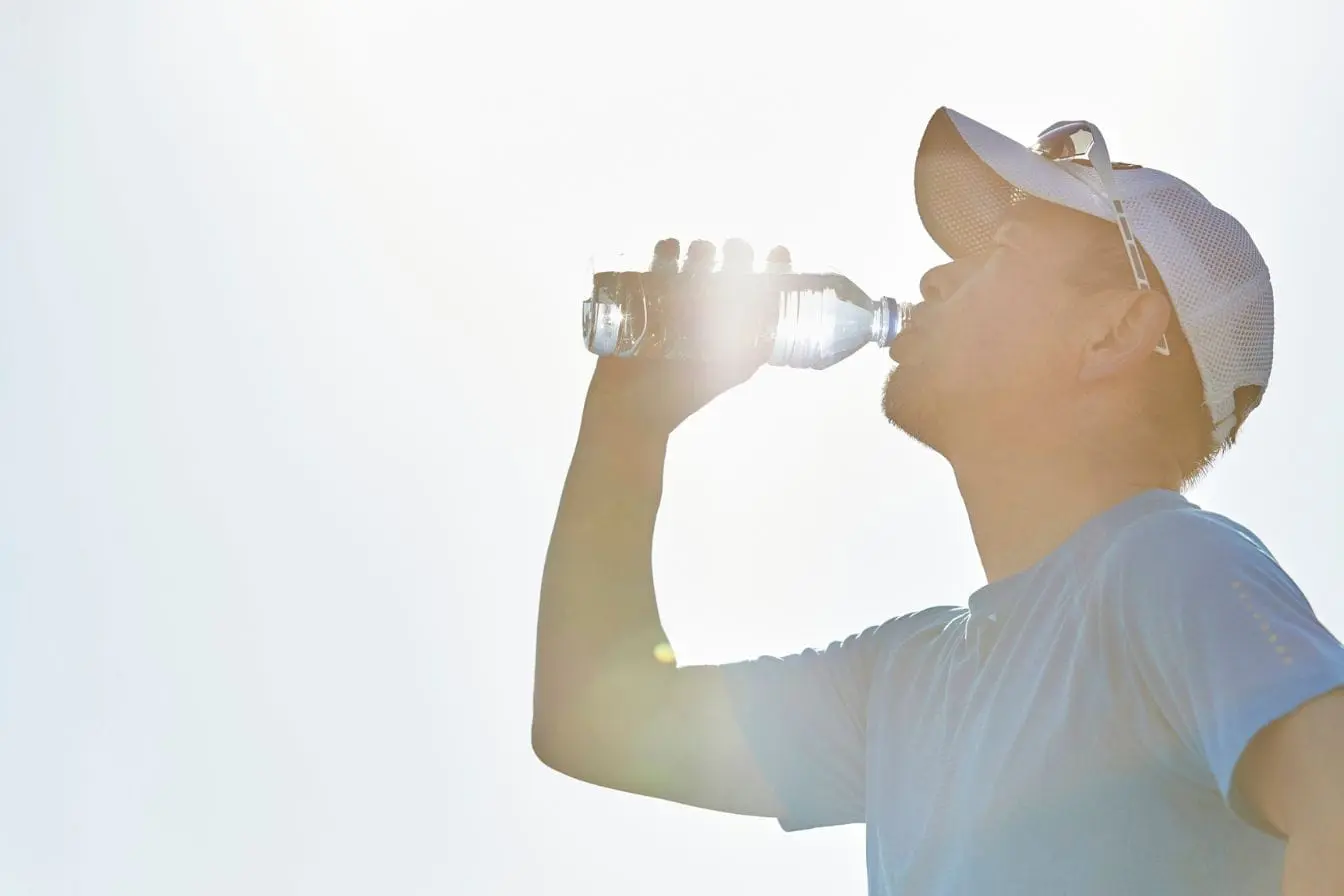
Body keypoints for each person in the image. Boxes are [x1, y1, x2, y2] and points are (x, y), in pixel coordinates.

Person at [531, 108, 1344, 894]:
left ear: (1113, 333)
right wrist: (627, 425)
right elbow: (595, 721)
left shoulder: (1168, 568)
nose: (932, 275)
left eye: (1002, 250)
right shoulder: (907, 684)